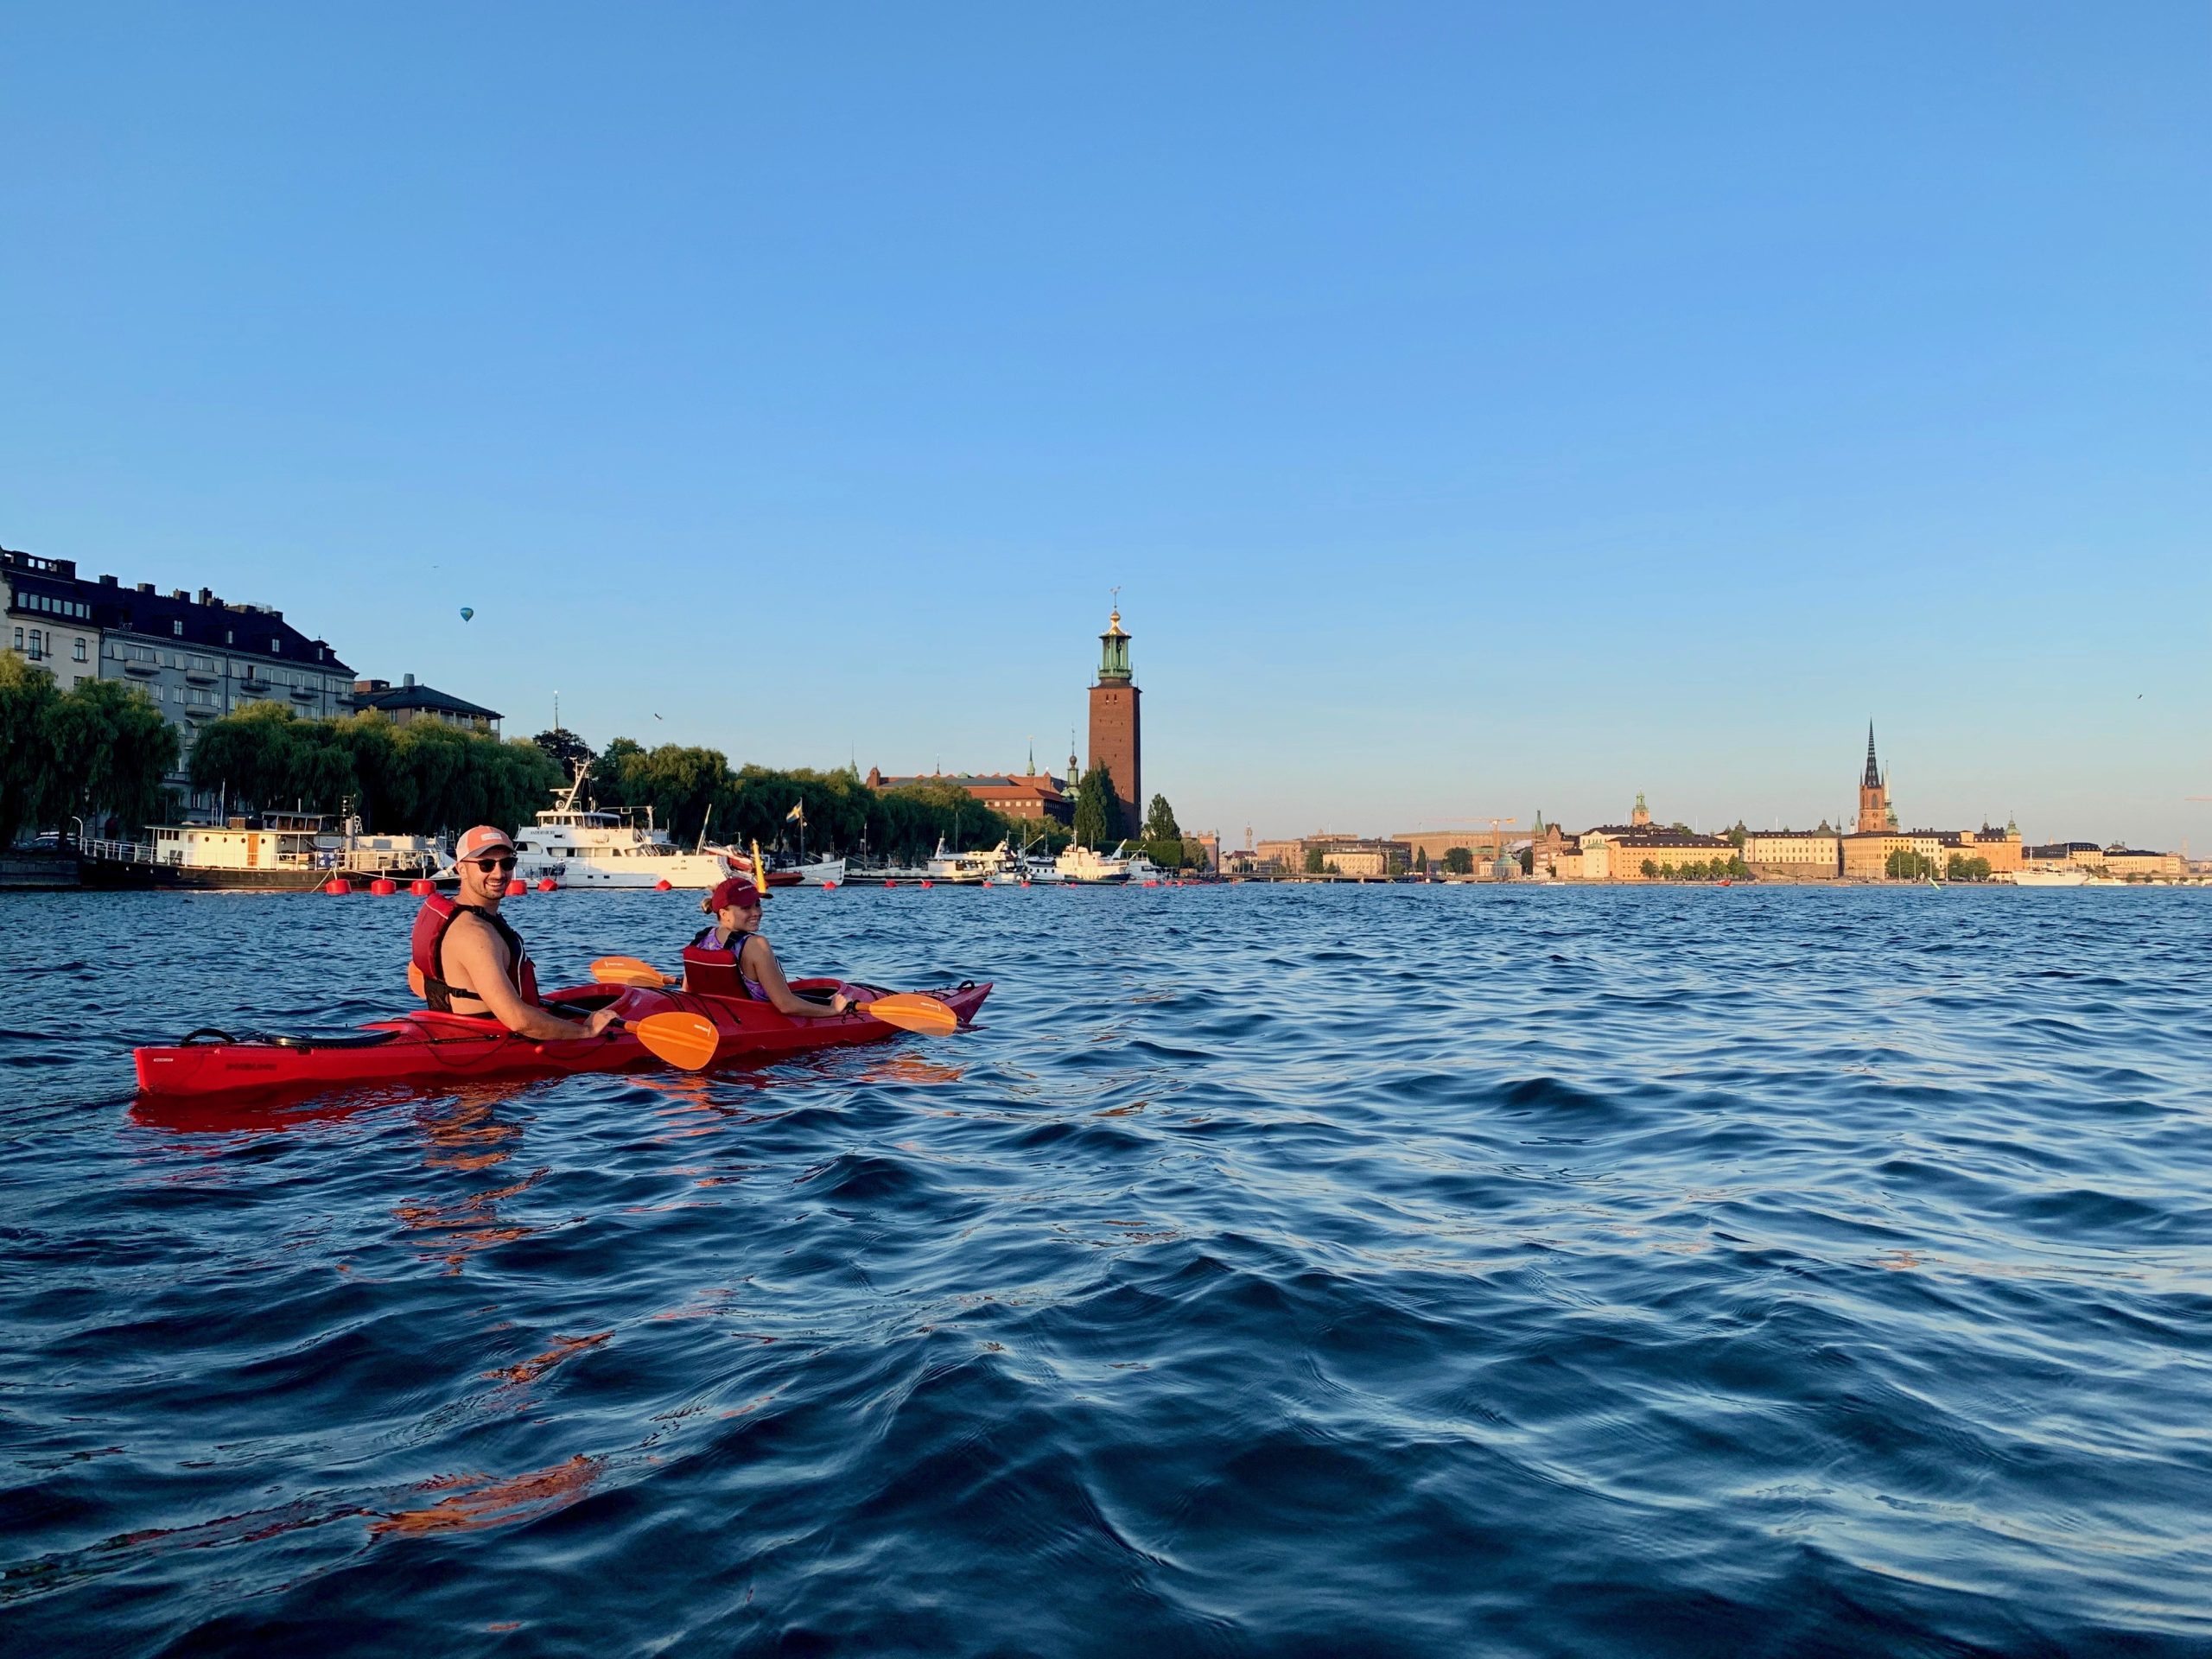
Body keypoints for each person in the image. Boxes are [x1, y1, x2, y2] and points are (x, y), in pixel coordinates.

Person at [412, 825, 620, 1039]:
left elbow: (417, 975)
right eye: (486, 864)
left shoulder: (454, 915)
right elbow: (518, 1020)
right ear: (461, 869)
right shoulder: (475, 935)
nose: (499, 873)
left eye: (507, 863)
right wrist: (586, 1031)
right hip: (485, 1042)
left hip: (452, 1030)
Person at [683, 876, 852, 1016]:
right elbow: (786, 1005)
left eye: (757, 904)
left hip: (718, 1016)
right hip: (755, 1019)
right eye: (745, 908)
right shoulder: (756, 945)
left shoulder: (700, 940)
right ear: (723, 913)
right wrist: (832, 1010)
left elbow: (686, 992)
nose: (756, 912)